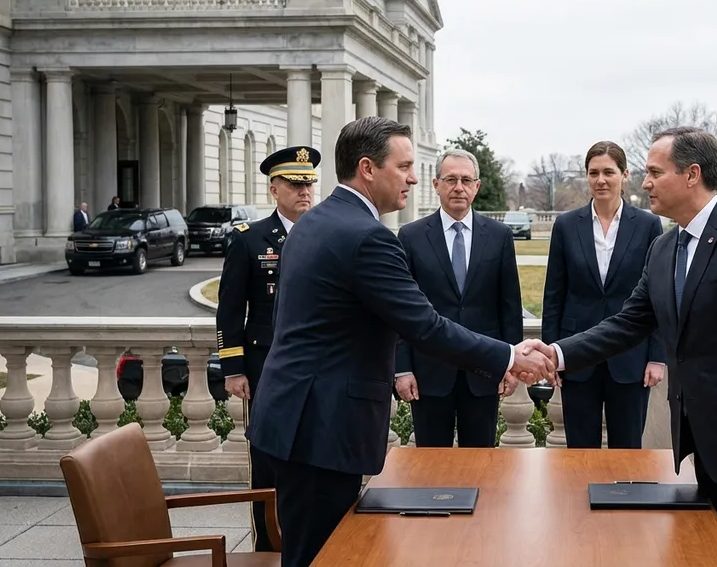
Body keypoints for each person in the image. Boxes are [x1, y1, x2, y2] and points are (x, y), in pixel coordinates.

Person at [246, 116, 555, 567]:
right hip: (322, 426)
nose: (413, 178)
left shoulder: (315, 222)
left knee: (310, 551)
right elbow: (425, 325)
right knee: (323, 554)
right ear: (368, 169)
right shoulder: (367, 237)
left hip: (297, 418)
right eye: (405, 166)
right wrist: (509, 354)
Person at [530, 126, 717, 566]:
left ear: (692, 175)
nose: (645, 183)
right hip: (704, 445)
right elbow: (628, 323)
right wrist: (557, 354)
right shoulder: (665, 247)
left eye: (654, 172)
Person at [215, 144, 318, 552]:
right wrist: (233, 368)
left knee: (313, 456)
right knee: (266, 458)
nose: (304, 192)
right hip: (264, 367)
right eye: (295, 184)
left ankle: (309, 541)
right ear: (274, 189)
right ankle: (268, 547)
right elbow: (229, 310)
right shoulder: (249, 239)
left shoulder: (323, 234)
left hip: (315, 367)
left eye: (308, 184)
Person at [393, 148, 524, 447]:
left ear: (477, 186)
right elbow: (400, 312)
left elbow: (509, 308)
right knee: (430, 463)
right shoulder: (411, 237)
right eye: (451, 179)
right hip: (429, 372)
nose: (459, 187)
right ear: (436, 184)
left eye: (466, 180)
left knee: (481, 462)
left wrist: (511, 364)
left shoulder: (500, 236)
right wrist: (402, 368)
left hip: (484, 371)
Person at [541, 140, 664, 449]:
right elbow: (554, 296)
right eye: (593, 173)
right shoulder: (566, 225)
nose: (601, 180)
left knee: (628, 450)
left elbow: (658, 297)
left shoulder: (648, 225)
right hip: (576, 356)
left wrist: (657, 357)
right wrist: (551, 355)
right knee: (580, 451)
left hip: (630, 356)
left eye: (609, 172)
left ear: (625, 175)